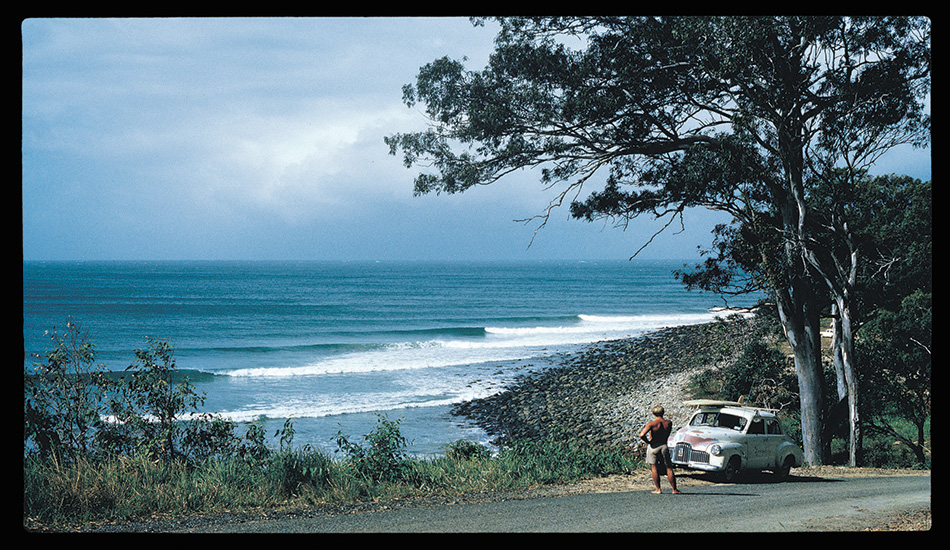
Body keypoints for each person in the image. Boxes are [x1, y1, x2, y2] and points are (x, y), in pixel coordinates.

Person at [638, 405, 681, 494]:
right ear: (663, 413)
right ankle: (674, 489)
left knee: (654, 468)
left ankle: (658, 489)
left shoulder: (651, 424)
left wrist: (648, 442)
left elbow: (641, 435)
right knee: (669, 468)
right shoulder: (668, 423)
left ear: (653, 413)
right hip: (664, 445)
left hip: (654, 446)